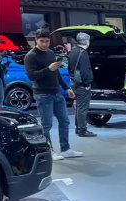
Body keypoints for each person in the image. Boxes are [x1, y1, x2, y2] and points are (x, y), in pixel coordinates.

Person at [24, 29, 83, 160]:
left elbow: (56, 72)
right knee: (47, 124)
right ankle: (48, 151)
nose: (45, 44)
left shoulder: (50, 53)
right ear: (36, 40)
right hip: (43, 94)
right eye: (42, 41)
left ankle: (66, 149)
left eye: (47, 41)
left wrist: (66, 88)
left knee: (64, 121)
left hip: (56, 93)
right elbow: (31, 76)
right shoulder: (31, 56)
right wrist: (48, 69)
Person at [68, 32, 96, 137]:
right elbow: (84, 70)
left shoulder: (73, 52)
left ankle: (78, 128)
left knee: (79, 107)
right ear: (87, 42)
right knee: (83, 108)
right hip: (82, 84)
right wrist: (86, 84)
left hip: (74, 82)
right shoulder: (83, 53)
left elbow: (69, 68)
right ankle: (82, 130)